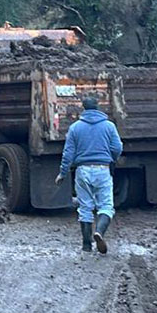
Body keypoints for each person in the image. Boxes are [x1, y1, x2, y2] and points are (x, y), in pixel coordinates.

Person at [54, 95, 123, 254]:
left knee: (85, 207)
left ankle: (86, 245)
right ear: (97, 107)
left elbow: (68, 153)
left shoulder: (75, 128)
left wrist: (62, 173)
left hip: (82, 170)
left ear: (83, 108)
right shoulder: (109, 126)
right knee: (106, 206)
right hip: (103, 169)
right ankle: (99, 232)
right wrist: (111, 159)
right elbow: (117, 147)